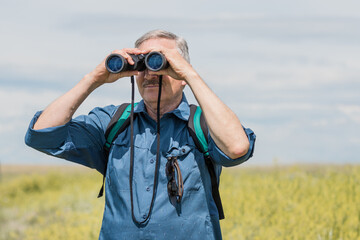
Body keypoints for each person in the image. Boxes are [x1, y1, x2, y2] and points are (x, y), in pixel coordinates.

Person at [25, 30, 256, 240]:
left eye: (160, 63)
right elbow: (42, 134)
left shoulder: (203, 124)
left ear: (182, 73)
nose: (151, 73)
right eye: (143, 64)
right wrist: (94, 78)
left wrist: (190, 75)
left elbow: (237, 147)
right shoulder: (115, 122)